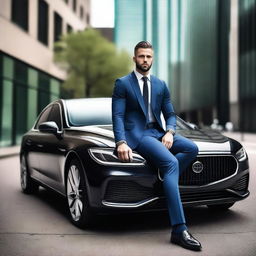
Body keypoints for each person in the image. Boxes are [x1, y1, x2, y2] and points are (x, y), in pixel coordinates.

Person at [112, 41, 202, 251]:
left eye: (149, 57)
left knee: (191, 148)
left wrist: (170, 132)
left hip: (158, 132)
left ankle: (164, 179)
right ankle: (179, 230)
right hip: (138, 135)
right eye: (141, 56)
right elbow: (117, 115)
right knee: (171, 163)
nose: (145, 60)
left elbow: (170, 115)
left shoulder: (161, 84)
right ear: (134, 58)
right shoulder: (123, 84)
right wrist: (121, 141)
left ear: (153, 58)